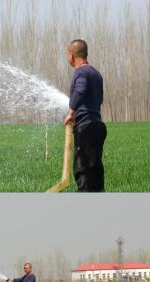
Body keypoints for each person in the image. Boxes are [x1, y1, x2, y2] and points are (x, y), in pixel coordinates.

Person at [63, 39, 106, 192]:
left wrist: (71, 112)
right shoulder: (96, 74)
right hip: (98, 126)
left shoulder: (80, 72)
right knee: (95, 169)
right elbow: (100, 98)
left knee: (83, 172)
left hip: (85, 128)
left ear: (71, 55)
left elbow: (80, 91)